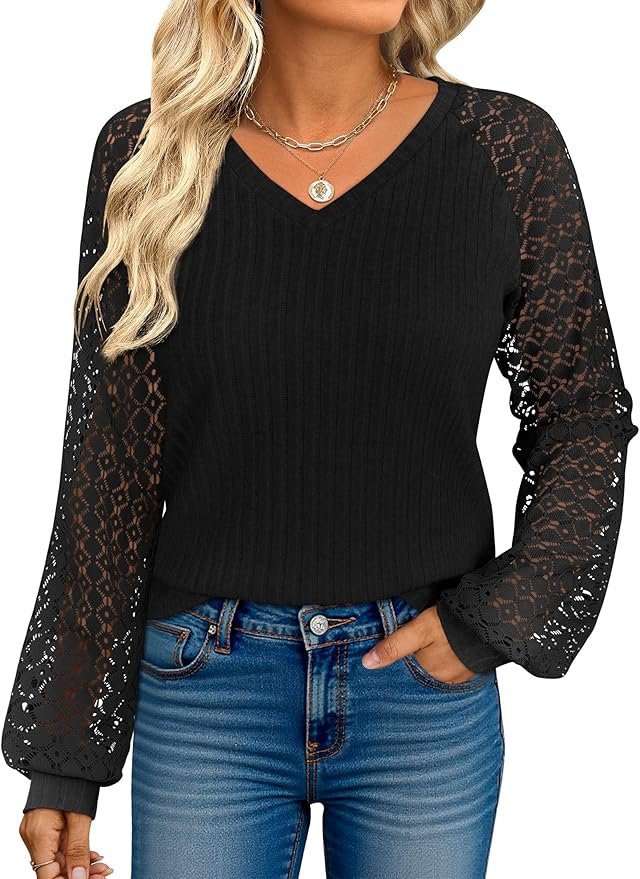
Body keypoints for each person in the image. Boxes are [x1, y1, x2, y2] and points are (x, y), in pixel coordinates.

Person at [4, 1, 637, 877]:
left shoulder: (505, 149)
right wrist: (66, 755)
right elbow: (109, 466)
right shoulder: (149, 154)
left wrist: (498, 619)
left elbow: (582, 410)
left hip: (421, 695)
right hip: (203, 692)